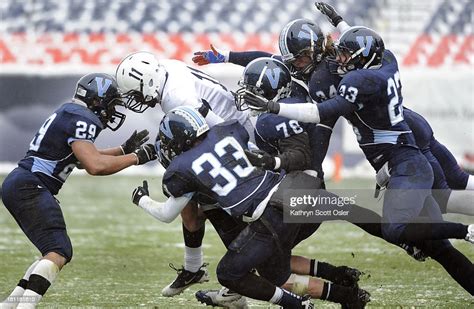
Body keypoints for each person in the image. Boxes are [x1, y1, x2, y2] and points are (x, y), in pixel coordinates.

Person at [241, 26, 474, 294]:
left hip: (404, 153)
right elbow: (368, 47)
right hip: (405, 140)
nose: (341, 59)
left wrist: (274, 109)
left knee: (424, 210)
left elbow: (323, 114)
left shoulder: (355, 81)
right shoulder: (381, 62)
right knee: (438, 239)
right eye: (340, 53)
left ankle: (466, 231)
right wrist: (225, 56)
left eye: (346, 55)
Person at [131, 106, 378, 308]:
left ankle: (298, 304)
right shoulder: (225, 132)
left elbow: (167, 214)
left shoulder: (182, 170)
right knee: (274, 267)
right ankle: (347, 291)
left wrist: (140, 198)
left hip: (272, 214)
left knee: (234, 272)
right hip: (296, 193)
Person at [0, 73, 157, 308]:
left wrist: (122, 149)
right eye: (112, 103)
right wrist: (136, 157)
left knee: (50, 250)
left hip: (22, 183)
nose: (113, 110)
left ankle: (10, 305)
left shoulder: (71, 112)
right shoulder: (82, 117)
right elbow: (94, 166)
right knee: (58, 250)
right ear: (98, 100)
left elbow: (82, 159)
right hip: (32, 186)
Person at [115, 51, 258, 297]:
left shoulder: (175, 98)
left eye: (136, 93)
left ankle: (245, 268)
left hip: (237, 130)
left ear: (148, 82)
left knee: (205, 194)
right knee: (192, 200)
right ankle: (194, 268)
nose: (134, 100)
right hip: (231, 125)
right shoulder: (166, 69)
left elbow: (218, 131)